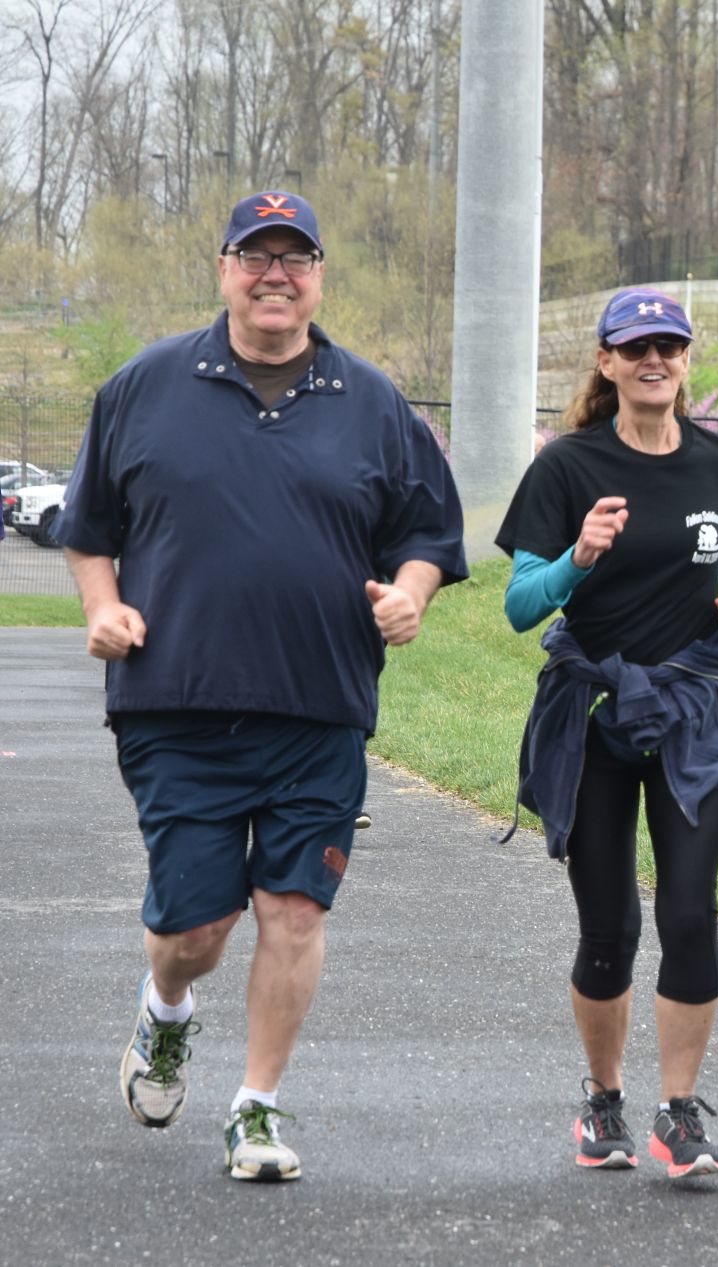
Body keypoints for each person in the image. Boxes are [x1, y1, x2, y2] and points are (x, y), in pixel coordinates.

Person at [53, 190, 467, 1183]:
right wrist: (102, 609)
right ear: (225, 268)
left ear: (319, 276)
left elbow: (427, 534)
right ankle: (166, 1009)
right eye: (256, 256)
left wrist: (410, 595)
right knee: (194, 928)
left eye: (295, 258)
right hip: (176, 706)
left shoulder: (373, 402)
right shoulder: (144, 386)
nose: (275, 275)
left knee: (294, 910)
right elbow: (88, 529)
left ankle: (257, 1106)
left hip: (320, 707)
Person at [495, 287, 718, 1178]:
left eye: (670, 346)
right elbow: (520, 605)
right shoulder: (568, 467)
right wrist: (577, 558)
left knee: (690, 912)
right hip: (596, 715)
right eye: (637, 347)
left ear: (687, 359)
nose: (655, 360)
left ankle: (678, 1113)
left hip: (694, 711)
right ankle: (603, 1098)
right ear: (606, 361)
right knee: (610, 926)